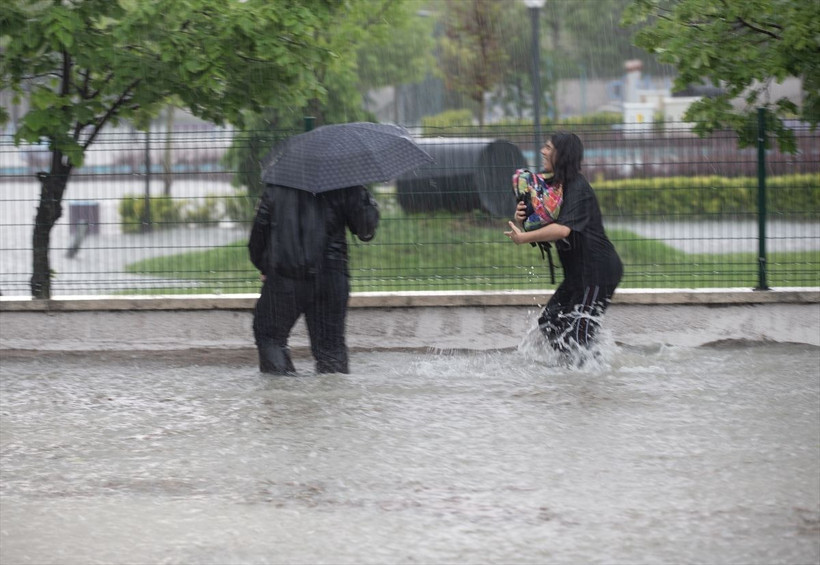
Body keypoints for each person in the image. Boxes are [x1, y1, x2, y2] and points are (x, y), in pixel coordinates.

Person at [504, 131, 623, 354]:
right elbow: (541, 219)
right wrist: (523, 217)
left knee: (578, 337)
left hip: (597, 272)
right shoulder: (553, 186)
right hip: (577, 274)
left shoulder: (577, 187)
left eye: (549, 148)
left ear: (563, 154)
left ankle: (592, 368)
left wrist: (523, 238)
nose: (543, 151)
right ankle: (578, 364)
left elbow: (562, 229)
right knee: (549, 322)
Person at [248, 184, 379, 375]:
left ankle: (282, 387)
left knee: (270, 336)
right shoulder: (345, 183)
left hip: (285, 276)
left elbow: (259, 234)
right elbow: (366, 229)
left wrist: (263, 265)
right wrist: (364, 197)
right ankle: (332, 392)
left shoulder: (278, 184)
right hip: (331, 277)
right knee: (330, 348)